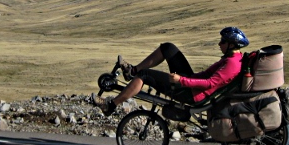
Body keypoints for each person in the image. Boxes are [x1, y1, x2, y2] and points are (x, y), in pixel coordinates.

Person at [92, 27, 249, 116]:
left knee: (146, 75)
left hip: (192, 95)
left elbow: (209, 83)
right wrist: (187, 78)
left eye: (223, 41)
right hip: (191, 85)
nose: (219, 43)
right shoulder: (230, 58)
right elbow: (205, 76)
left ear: (231, 44)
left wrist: (181, 80)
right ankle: (132, 72)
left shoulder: (231, 64)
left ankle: (111, 105)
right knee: (168, 48)